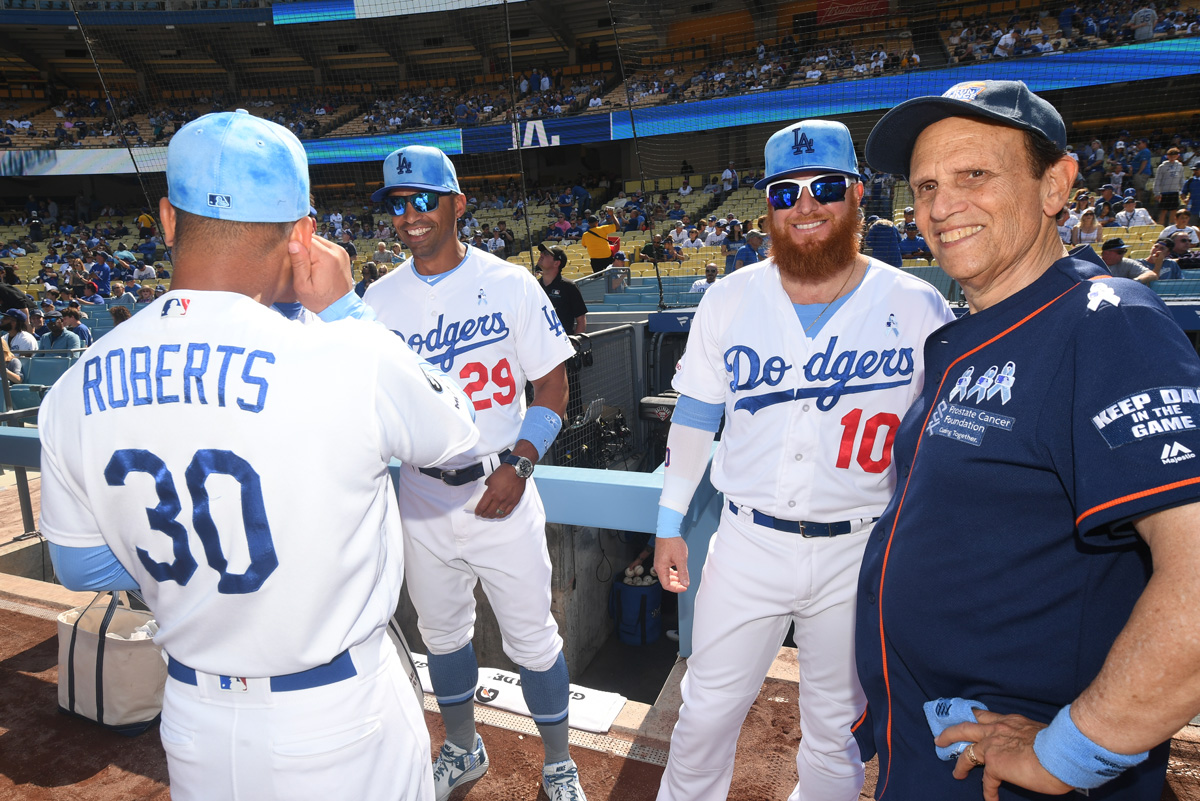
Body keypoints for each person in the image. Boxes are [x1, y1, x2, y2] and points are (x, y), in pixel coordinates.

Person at [38, 110, 479, 801]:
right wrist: (348, 312)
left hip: (193, 719)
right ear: (304, 234)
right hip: (341, 716)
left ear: (167, 219)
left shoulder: (72, 387)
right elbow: (458, 433)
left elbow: (79, 563)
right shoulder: (341, 357)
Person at [858, 78, 1200, 800]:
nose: (942, 206)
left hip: (1024, 777)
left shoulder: (1105, 321)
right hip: (942, 756)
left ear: (1056, 186)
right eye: (925, 186)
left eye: (974, 175)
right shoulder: (979, 333)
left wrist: (1070, 754)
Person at [652, 119, 954, 801]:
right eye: (786, 193)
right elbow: (697, 414)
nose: (806, 206)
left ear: (856, 197)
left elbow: (939, 441)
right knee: (703, 715)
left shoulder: (915, 304)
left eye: (824, 188)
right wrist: (670, 518)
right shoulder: (729, 298)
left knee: (835, 729)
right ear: (768, 208)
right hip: (748, 541)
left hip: (860, 548)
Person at [361, 145, 586, 801]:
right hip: (423, 492)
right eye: (398, 203)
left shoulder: (512, 283)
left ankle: (559, 760)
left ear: (458, 203)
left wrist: (520, 464)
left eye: (423, 198)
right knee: (441, 634)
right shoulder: (377, 301)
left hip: (503, 488)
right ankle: (462, 745)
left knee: (534, 638)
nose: (409, 215)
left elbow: (552, 388)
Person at [536, 244, 587, 335]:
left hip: (562, 344)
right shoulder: (534, 285)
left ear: (557, 263)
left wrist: (574, 343)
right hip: (537, 345)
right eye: (541, 253)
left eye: (546, 253)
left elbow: (581, 320)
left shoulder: (569, 287)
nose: (541, 255)